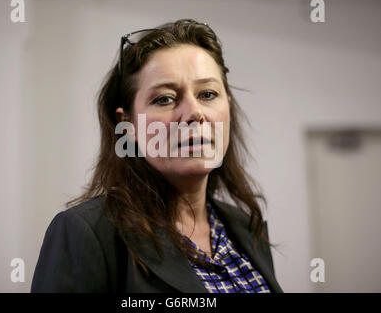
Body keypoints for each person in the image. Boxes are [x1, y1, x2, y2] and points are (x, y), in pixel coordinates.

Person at [31, 19, 283, 293]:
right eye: (164, 99)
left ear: (228, 108)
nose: (194, 113)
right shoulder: (85, 233)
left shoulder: (246, 227)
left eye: (208, 94)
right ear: (128, 124)